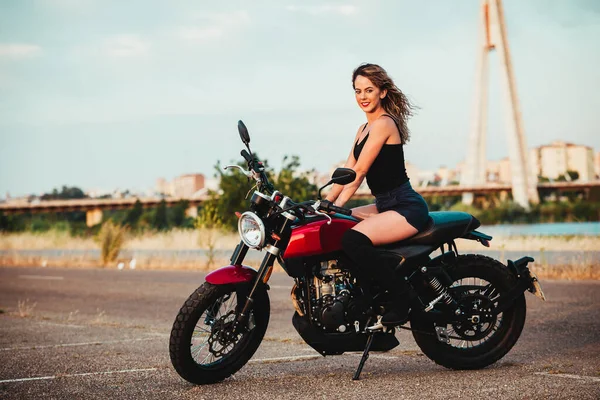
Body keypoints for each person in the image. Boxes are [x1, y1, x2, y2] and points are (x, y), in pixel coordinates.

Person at [323, 63, 429, 326]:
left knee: (352, 240)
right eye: (358, 91)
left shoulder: (384, 124)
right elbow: (346, 169)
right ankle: (366, 297)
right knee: (336, 229)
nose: (363, 96)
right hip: (385, 205)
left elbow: (359, 172)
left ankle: (402, 299)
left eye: (369, 90)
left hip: (405, 207)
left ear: (382, 92)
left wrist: (336, 204)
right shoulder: (363, 129)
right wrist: (325, 203)